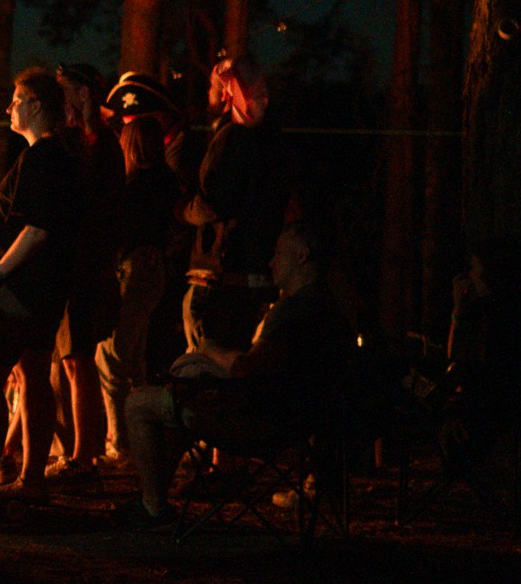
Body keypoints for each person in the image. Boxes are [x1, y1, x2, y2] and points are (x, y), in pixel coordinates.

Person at [117, 222, 355, 528]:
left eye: (279, 253)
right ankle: (155, 500)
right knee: (179, 400)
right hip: (304, 424)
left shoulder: (293, 310)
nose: (271, 262)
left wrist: (208, 353)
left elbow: (247, 369)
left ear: (302, 257)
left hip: (259, 426)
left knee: (138, 403)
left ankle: (152, 506)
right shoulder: (333, 309)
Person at [0, 70, 80, 507]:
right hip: (44, 292)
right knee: (34, 375)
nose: (9, 108)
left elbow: (37, 228)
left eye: (16, 99)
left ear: (37, 106)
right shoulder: (59, 157)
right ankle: (31, 480)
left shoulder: (40, 158)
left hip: (17, 292)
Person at [183, 54, 292, 357]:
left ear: (227, 93)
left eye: (212, 88)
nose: (208, 94)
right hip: (253, 271)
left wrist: (182, 210)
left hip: (223, 273)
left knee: (210, 362)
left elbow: (216, 201)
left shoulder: (234, 139)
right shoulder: (271, 139)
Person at [50, 65, 121, 478]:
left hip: (86, 264)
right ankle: (80, 449)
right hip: (79, 262)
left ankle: (84, 455)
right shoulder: (87, 142)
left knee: (79, 358)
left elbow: (94, 206)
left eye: (66, 93)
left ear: (81, 95)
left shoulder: (100, 144)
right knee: (73, 359)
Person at [97, 113, 181, 461]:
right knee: (134, 354)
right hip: (155, 268)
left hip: (134, 269)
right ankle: (143, 433)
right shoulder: (168, 182)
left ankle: (119, 440)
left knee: (112, 354)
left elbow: (119, 230)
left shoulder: (134, 187)